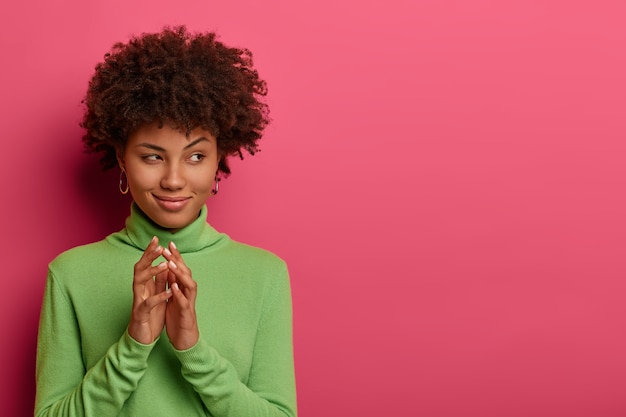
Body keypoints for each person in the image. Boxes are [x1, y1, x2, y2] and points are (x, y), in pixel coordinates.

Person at [35, 26, 297, 417]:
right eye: (152, 156)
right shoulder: (70, 274)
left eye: (195, 157)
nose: (174, 179)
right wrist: (132, 347)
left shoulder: (265, 275)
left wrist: (194, 352)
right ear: (122, 159)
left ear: (219, 160)